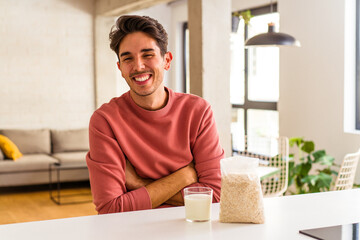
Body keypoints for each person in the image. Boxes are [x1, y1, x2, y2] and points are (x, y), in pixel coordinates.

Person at [86, 15, 224, 214]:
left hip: (192, 225)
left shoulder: (198, 111)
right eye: (128, 58)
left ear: (166, 60)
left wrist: (139, 183)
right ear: (120, 69)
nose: (138, 66)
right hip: (132, 229)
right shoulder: (105, 121)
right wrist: (184, 177)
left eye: (147, 55)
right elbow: (110, 209)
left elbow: (215, 196)